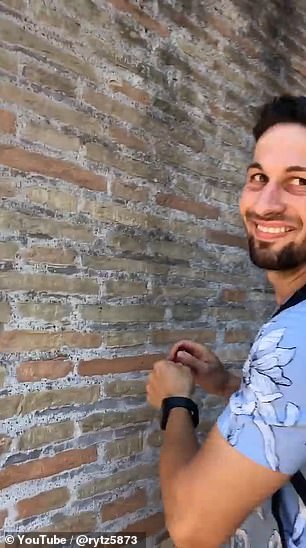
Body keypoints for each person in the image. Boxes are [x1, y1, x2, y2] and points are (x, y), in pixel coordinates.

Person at [146, 95, 306, 548]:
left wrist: (177, 405)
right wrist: (229, 384)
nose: (266, 203)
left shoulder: (295, 336)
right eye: (258, 177)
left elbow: (192, 528)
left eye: (300, 182)